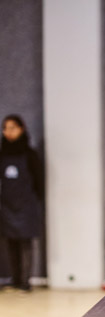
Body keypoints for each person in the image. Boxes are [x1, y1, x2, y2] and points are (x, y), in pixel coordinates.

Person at [0, 114, 43, 291]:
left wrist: (34, 201)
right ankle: (15, 279)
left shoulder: (30, 155)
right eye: (5, 128)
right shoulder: (2, 154)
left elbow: (39, 182)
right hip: (6, 205)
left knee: (25, 242)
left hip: (26, 205)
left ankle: (26, 281)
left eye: (12, 128)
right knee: (10, 242)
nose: (8, 132)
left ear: (21, 129)